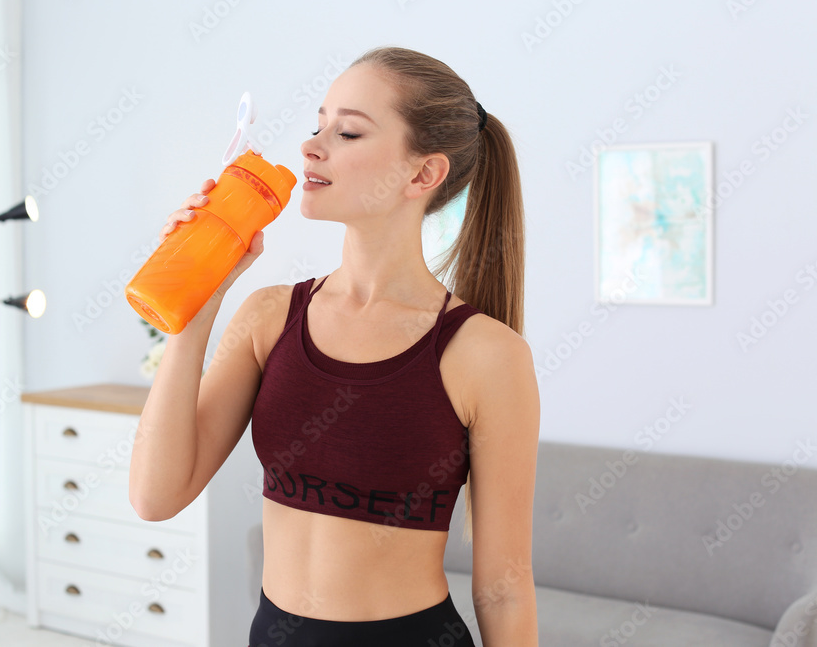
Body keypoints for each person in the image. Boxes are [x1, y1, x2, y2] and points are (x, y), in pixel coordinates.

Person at [129, 45, 540, 647]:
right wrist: (196, 300)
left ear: (423, 173)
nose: (312, 146)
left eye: (347, 132)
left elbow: (503, 588)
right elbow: (155, 496)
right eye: (318, 125)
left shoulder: (485, 354)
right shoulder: (269, 316)